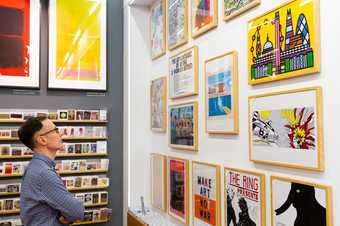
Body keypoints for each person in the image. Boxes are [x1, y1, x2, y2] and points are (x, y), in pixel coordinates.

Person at [18, 116, 84, 225]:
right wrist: (67, 215)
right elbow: (77, 212)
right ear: (42, 140)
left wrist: (66, 215)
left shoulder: (36, 167)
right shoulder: (44, 173)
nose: (61, 134)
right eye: (56, 130)